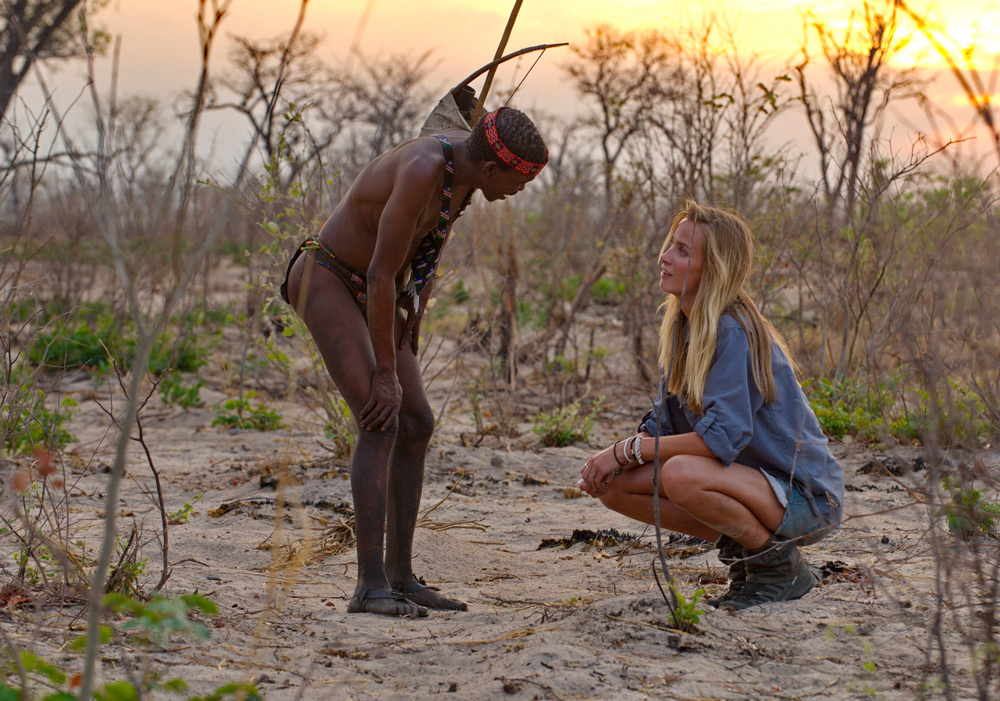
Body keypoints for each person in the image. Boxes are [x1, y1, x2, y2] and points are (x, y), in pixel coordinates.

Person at [280, 106, 547, 617]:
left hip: (384, 293)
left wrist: (417, 302)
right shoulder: (426, 167)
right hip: (330, 278)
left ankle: (401, 576)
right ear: (492, 169)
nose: (520, 190)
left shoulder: (465, 175)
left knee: (417, 421)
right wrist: (385, 372)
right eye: (518, 180)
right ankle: (369, 586)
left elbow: (428, 242)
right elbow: (380, 272)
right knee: (381, 419)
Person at [578, 201, 844, 611]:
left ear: (713, 269)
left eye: (683, 251)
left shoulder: (731, 330)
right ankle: (744, 554)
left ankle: (778, 567)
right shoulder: (685, 326)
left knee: (682, 474)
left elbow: (722, 437)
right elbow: (664, 425)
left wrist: (628, 449)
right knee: (614, 486)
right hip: (751, 485)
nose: (665, 257)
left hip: (806, 497)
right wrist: (615, 460)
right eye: (671, 245)